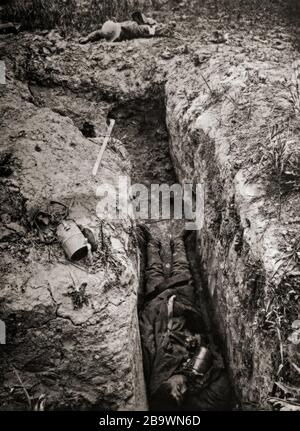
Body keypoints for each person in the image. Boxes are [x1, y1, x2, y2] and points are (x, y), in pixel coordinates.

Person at [137, 225, 232, 410]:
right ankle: (178, 241)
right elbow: (221, 386)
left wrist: (160, 307)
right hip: (187, 309)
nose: (183, 389)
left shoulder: (154, 367)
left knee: (154, 271)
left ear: (161, 386)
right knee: (182, 270)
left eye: (176, 388)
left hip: (160, 306)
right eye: (182, 395)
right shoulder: (194, 382)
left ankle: (151, 242)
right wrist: (201, 345)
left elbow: (145, 331)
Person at [79, 11, 173, 44]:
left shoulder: (131, 29)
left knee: (151, 24)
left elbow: (148, 30)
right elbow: (98, 33)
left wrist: (167, 28)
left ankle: (166, 24)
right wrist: (87, 38)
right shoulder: (109, 29)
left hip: (140, 24)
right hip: (132, 22)